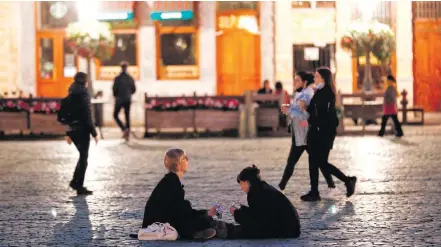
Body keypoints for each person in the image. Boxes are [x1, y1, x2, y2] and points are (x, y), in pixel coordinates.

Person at [299, 67, 357, 201]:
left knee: (321, 162)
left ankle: (348, 180)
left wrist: (308, 111)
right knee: (313, 161)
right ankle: (314, 191)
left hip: (324, 132)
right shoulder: (318, 92)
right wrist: (306, 108)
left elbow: (324, 115)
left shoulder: (328, 93)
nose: (314, 79)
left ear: (324, 78)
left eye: (317, 76)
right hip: (315, 131)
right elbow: (314, 112)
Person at [141, 148, 223, 240]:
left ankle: (199, 230)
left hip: (160, 222)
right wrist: (205, 214)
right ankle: (194, 233)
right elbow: (182, 214)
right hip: (157, 226)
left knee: (202, 216)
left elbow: (180, 210)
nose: (187, 160)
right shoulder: (172, 183)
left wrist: (206, 213)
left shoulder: (170, 181)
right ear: (178, 164)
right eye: (184, 158)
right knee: (204, 221)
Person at [279, 72, 335, 191]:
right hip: (300, 132)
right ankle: (330, 183)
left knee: (295, 161)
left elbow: (304, 111)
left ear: (304, 82)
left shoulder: (308, 93)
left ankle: (282, 186)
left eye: (298, 80)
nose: (295, 83)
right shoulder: (301, 93)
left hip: (305, 133)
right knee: (317, 161)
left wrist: (289, 110)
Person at [228, 165, 301, 239]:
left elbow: (257, 221)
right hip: (289, 228)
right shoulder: (261, 188)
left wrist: (237, 213)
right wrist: (241, 209)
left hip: (285, 230)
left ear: (247, 182)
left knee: (243, 231)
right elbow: (260, 213)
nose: (241, 188)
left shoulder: (256, 193)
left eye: (241, 184)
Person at [65, 72, 98, 195]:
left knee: (82, 156)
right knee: (84, 158)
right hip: (82, 130)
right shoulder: (84, 94)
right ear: (85, 81)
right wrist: (94, 132)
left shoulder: (71, 91)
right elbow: (87, 115)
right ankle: (78, 184)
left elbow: (67, 112)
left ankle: (75, 182)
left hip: (72, 129)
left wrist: (67, 132)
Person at [112, 61, 136, 141]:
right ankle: (127, 133)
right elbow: (134, 89)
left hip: (119, 99)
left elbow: (114, 90)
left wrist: (117, 96)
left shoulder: (117, 78)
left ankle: (124, 129)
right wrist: (128, 94)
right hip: (128, 99)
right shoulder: (130, 78)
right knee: (127, 116)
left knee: (115, 115)